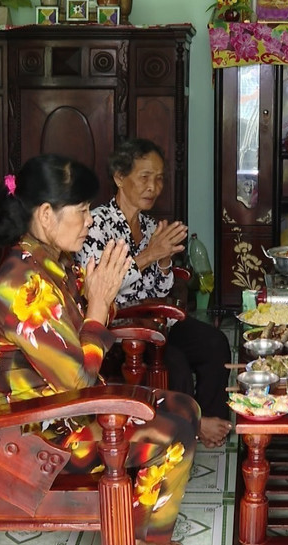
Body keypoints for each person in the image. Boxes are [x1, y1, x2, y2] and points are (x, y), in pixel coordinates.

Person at [0, 154, 199, 540]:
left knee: (184, 408)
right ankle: (142, 536)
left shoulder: (50, 262)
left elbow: (87, 315)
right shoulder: (24, 285)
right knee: (172, 433)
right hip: (30, 438)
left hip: (61, 413)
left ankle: (139, 528)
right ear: (47, 215)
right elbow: (77, 379)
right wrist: (97, 307)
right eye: (82, 210)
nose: (90, 220)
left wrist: (100, 299)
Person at [78, 139, 233, 449]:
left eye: (159, 178)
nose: (154, 187)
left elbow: (159, 290)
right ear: (120, 177)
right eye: (145, 177)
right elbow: (97, 287)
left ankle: (210, 422)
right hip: (118, 330)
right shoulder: (95, 225)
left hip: (156, 320)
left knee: (214, 342)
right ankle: (189, 430)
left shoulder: (149, 227)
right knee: (175, 362)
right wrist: (150, 255)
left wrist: (163, 262)